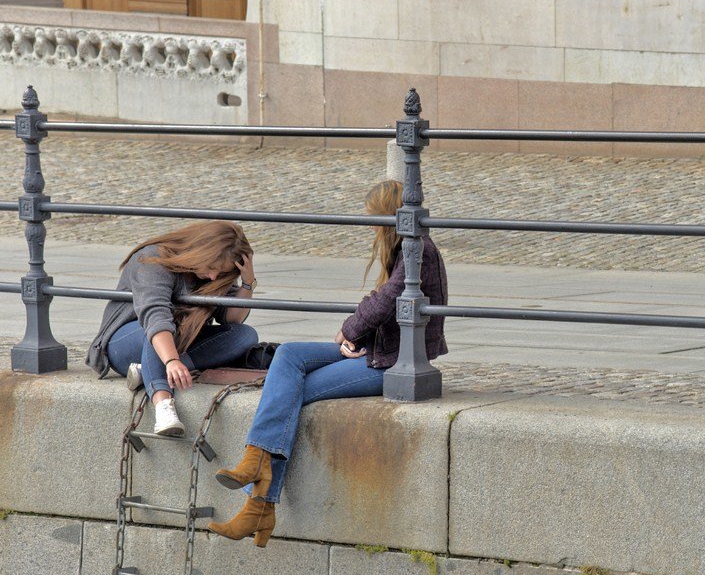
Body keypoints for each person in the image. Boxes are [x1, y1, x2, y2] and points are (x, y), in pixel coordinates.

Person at [207, 180, 448, 547]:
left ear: (390, 217)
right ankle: (255, 463)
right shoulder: (404, 248)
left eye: (373, 218)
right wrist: (358, 336)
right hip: (376, 349)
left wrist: (349, 331)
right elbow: (385, 305)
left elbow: (389, 300)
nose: (369, 226)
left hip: (393, 364)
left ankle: (259, 503)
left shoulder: (419, 251)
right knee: (288, 355)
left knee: (292, 392)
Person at [86, 221, 260, 437]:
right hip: (126, 339)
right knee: (162, 327)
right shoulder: (152, 258)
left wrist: (247, 282)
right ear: (200, 251)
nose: (214, 276)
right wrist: (171, 361)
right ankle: (163, 405)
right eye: (213, 267)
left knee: (245, 335)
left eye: (221, 272)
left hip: (175, 344)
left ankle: (148, 371)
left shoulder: (211, 274)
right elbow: (155, 315)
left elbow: (231, 318)